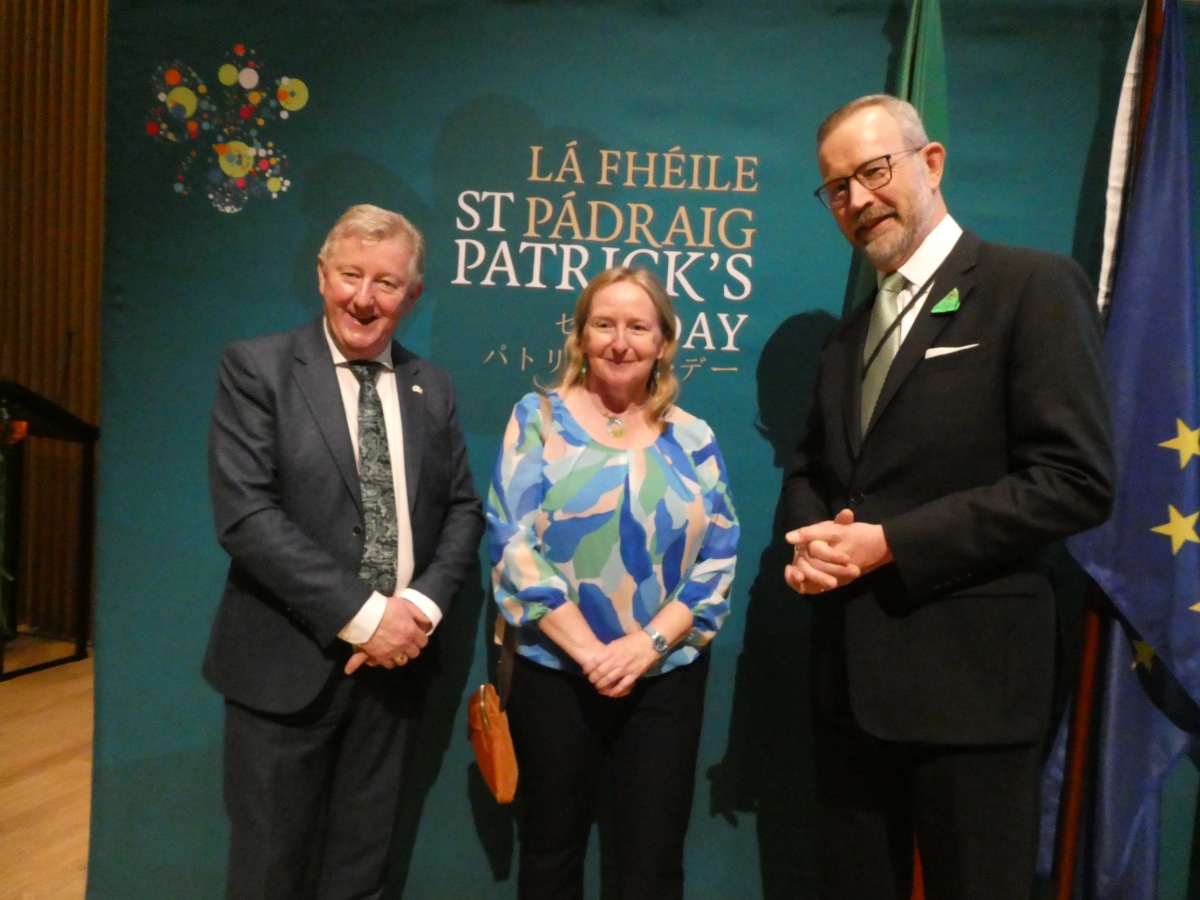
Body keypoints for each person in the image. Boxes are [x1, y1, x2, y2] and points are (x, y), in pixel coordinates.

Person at [781, 95, 1115, 900]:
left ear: (930, 164)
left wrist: (891, 544)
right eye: (837, 188)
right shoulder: (847, 336)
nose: (858, 200)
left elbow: (1075, 481)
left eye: (873, 172)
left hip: (974, 694)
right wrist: (810, 546)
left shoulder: (1030, 287)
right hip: (850, 690)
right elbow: (812, 472)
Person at [204, 203, 484, 899]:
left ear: (412, 295)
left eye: (386, 282)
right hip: (283, 670)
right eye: (351, 275)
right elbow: (246, 517)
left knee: (362, 876)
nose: (364, 298)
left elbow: (462, 510)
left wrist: (415, 612)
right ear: (322, 275)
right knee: (268, 876)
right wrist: (367, 617)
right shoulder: (258, 369)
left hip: (395, 675)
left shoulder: (432, 386)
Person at [486, 267, 739, 900]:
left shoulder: (695, 437)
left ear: (664, 343)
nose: (620, 342)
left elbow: (718, 558)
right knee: (551, 852)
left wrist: (645, 647)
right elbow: (512, 543)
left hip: (664, 677)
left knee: (652, 864)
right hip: (553, 672)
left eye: (637, 327)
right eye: (604, 325)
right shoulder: (538, 418)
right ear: (580, 336)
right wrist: (592, 653)